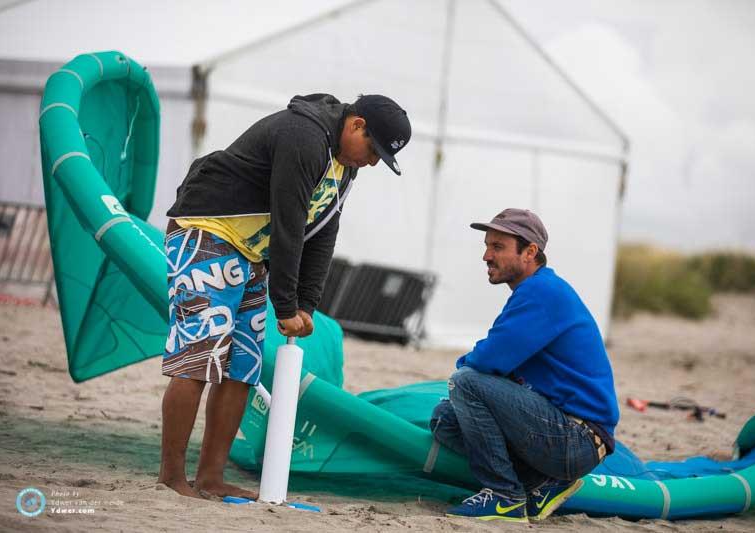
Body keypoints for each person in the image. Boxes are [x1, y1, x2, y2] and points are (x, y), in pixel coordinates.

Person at [158, 94, 411, 499]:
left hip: (250, 254)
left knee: (243, 366)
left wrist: (306, 303)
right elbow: (290, 219)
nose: (374, 161)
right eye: (374, 149)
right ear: (356, 124)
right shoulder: (304, 135)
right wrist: (286, 305)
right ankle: (171, 478)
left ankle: (209, 477)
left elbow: (323, 231)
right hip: (205, 233)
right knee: (199, 359)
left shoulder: (344, 167)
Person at [430, 208, 618, 522]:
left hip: (577, 438)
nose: (487, 256)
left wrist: (462, 376)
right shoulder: (537, 289)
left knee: (464, 382)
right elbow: (495, 359)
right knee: (445, 420)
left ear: (530, 252)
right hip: (566, 432)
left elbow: (488, 360)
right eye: (487, 246)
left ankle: (504, 496)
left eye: (498, 247)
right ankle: (541, 485)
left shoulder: (542, 292)